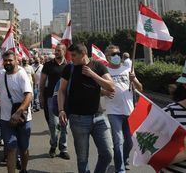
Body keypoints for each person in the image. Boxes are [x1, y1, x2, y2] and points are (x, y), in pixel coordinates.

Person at [58, 43, 115, 173]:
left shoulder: (98, 66)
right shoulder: (69, 69)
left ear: (83, 54)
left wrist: (93, 75)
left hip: (99, 117)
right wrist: (61, 110)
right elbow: (61, 91)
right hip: (78, 120)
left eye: (74, 55)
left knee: (107, 154)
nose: (71, 58)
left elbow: (111, 87)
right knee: (83, 159)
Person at [104, 45, 143, 173]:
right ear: (107, 57)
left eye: (117, 53)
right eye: (112, 54)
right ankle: (120, 169)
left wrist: (134, 80)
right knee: (118, 141)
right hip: (113, 112)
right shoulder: (105, 72)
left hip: (129, 111)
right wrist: (104, 92)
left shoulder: (127, 69)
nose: (116, 56)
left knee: (130, 142)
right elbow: (97, 90)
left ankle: (124, 158)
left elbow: (140, 88)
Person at [0, 50, 33, 173]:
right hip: (6, 119)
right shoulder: (1, 74)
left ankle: (24, 169)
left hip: (22, 119)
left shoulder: (22, 75)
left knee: (23, 148)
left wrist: (18, 112)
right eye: (5, 60)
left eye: (10, 60)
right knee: (11, 148)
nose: (7, 63)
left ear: (16, 61)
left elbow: (29, 96)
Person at [39, 44, 70, 159]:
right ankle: (53, 145)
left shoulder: (69, 66)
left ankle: (63, 148)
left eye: (59, 50)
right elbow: (42, 82)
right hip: (51, 98)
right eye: (55, 50)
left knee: (64, 125)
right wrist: (41, 96)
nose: (56, 52)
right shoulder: (48, 65)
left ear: (64, 51)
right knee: (53, 124)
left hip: (65, 99)